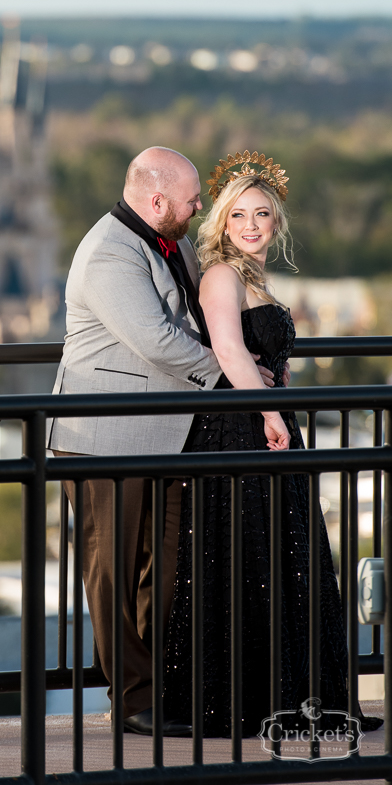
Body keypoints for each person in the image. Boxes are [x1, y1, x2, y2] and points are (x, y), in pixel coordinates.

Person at [47, 147, 275, 737]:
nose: (201, 206)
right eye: (192, 198)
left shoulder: (169, 245)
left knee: (169, 566)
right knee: (112, 574)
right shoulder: (109, 253)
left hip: (165, 435)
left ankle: (165, 686)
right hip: (100, 439)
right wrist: (233, 370)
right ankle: (132, 699)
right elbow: (156, 340)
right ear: (157, 201)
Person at [163, 152, 382, 735]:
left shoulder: (257, 277)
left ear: (277, 222)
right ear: (223, 223)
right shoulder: (221, 276)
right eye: (240, 215)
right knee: (246, 559)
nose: (253, 225)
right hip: (238, 431)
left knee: (287, 561)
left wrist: (279, 400)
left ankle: (301, 698)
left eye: (263, 214)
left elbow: (270, 359)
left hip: (271, 425)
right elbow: (229, 352)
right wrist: (269, 412)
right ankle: (238, 703)